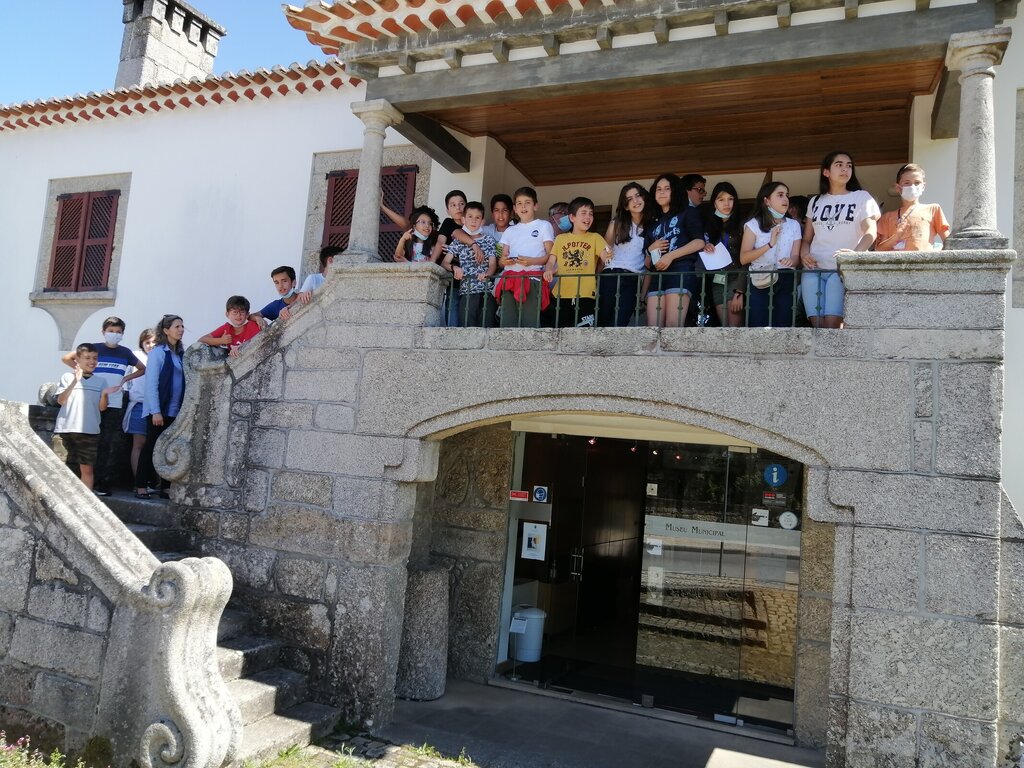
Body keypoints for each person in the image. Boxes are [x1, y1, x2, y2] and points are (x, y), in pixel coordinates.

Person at [60, 316, 146, 496]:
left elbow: (142, 368)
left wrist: (125, 379)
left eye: (118, 332)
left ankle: (101, 483)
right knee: (89, 443)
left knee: (108, 444)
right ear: (103, 331)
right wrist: (81, 371)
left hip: (114, 403)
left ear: (122, 333)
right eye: (111, 331)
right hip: (91, 402)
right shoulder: (94, 349)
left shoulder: (125, 353)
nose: (114, 334)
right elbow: (67, 358)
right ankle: (82, 481)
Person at [801, 151, 880, 328]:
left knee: (833, 325)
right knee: (817, 326)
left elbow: (871, 232)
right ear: (826, 172)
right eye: (839, 165)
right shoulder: (815, 201)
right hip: (813, 269)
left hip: (840, 269)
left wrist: (854, 255)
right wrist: (804, 254)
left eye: (849, 166)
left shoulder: (861, 197)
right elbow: (806, 239)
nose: (845, 169)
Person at [54, 343, 119, 493]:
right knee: (59, 468)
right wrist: (75, 381)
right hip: (65, 429)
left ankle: (86, 501)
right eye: (87, 358)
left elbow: (102, 408)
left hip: (89, 431)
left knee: (87, 470)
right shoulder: (67, 377)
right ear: (77, 359)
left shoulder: (101, 381)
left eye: (95, 358)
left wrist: (104, 394)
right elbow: (61, 400)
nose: (92, 361)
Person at [645, 173, 705, 328]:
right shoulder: (652, 223)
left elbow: (699, 242)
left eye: (667, 188)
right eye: (658, 189)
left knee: (672, 326)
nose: (662, 192)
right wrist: (650, 249)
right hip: (657, 275)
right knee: (653, 328)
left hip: (681, 271)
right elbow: (646, 260)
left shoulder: (688, 212)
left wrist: (670, 256)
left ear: (675, 191)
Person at [136, 315, 186, 499]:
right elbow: (151, 383)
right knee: (151, 446)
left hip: (175, 410)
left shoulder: (180, 353)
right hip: (159, 410)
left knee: (169, 447)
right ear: (166, 330)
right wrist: (156, 411)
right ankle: (141, 486)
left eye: (182, 326)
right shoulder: (158, 352)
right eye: (177, 326)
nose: (181, 329)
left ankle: (165, 487)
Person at [741, 181, 803, 327]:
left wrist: (791, 261)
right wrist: (769, 244)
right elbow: (744, 258)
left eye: (787, 195)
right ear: (766, 200)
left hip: (786, 277)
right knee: (758, 326)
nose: (785, 199)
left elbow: (796, 257)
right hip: (760, 277)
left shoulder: (794, 225)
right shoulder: (753, 225)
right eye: (780, 195)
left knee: (784, 326)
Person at [543, 196, 610, 328]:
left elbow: (605, 254)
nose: (588, 217)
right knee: (561, 335)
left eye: (591, 213)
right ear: (572, 217)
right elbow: (550, 261)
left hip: (586, 294)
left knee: (585, 334)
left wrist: (607, 255)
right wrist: (548, 270)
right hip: (561, 294)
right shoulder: (561, 239)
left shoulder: (595, 237)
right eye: (583, 213)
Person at [495, 187, 555, 328]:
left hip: (532, 279)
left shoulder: (544, 225)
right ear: (515, 208)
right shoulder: (509, 230)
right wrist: (504, 261)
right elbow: (501, 260)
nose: (523, 207)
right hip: (510, 279)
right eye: (519, 203)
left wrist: (531, 261)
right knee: (508, 323)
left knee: (529, 322)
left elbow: (551, 255)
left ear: (535, 206)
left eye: (527, 202)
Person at [599, 183, 651, 327]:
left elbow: (649, 265)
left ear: (644, 198)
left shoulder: (652, 227)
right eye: (629, 199)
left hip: (632, 278)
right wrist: (595, 279)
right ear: (626, 206)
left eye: (638, 196)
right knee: (603, 321)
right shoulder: (616, 223)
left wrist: (643, 296)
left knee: (620, 323)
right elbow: (604, 254)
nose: (635, 201)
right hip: (610, 275)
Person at [442, 201, 498, 327]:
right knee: (467, 329)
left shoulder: (489, 240)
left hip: (486, 290)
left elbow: (493, 264)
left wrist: (487, 274)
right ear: (463, 219)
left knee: (486, 328)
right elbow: (444, 263)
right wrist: (455, 268)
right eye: (470, 217)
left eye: (477, 217)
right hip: (466, 292)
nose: (473, 221)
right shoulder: (457, 242)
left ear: (482, 221)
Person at [699, 181, 746, 327]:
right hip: (717, 281)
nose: (726, 203)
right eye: (721, 199)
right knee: (724, 328)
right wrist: (706, 246)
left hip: (737, 278)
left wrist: (740, 291)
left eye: (730, 199)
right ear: (714, 203)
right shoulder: (708, 226)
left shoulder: (743, 225)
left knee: (734, 329)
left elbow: (747, 260)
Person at [875, 163, 949, 252]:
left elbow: (948, 242)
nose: (912, 186)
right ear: (898, 188)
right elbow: (879, 250)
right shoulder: (887, 217)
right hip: (897, 260)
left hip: (924, 260)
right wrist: (896, 237)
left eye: (917, 183)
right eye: (907, 183)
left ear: (923, 186)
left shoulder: (933, 209)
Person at [122, 328, 156, 491]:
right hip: (139, 405)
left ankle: (150, 480)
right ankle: (139, 481)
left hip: (156, 407)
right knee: (139, 444)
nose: (150, 345)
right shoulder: (136, 357)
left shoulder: (163, 357)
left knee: (154, 445)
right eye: (147, 342)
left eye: (154, 342)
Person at [432, 190, 468, 325]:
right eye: (453, 205)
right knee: (452, 308)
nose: (458, 207)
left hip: (471, 277)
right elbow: (440, 242)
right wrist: (431, 264)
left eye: (461, 204)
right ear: (448, 210)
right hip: (454, 276)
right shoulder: (448, 223)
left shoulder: (472, 224)